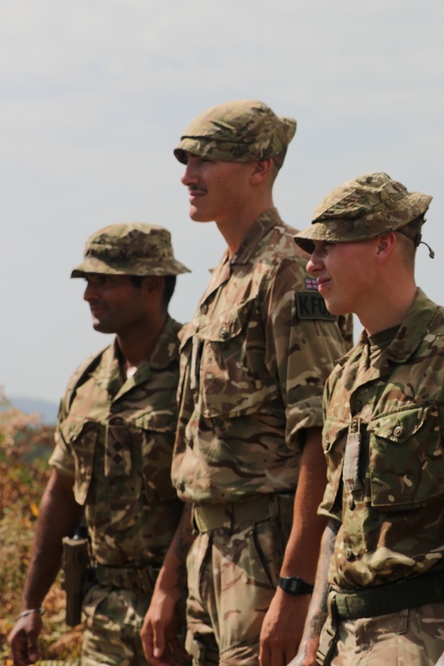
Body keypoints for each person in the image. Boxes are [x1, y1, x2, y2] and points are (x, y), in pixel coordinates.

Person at [142, 100, 352, 666]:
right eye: (186, 160)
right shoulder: (225, 274)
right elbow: (205, 450)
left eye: (206, 160)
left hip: (267, 548)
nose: (188, 175)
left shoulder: (292, 270)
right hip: (208, 549)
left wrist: (295, 584)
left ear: (261, 167)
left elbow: (324, 435)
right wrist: (169, 581)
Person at [288, 172, 444, 666]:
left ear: (383, 244)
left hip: (422, 634)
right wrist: (309, 647)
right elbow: (335, 523)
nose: (312, 263)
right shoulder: (342, 377)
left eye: (327, 247)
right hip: (341, 640)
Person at [8, 223, 191, 665]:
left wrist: (169, 591)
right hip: (104, 614)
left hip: (184, 615)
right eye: (88, 281)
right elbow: (60, 494)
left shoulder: (198, 366)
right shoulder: (86, 380)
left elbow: (205, 496)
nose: (90, 294)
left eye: (104, 280)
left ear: (151, 285)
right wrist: (30, 606)